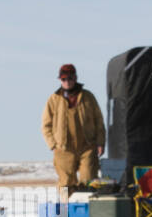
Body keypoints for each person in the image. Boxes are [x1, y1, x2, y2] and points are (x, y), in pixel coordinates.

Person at [41, 63, 106, 194]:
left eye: (70, 78)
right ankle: (65, 213)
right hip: (63, 149)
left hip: (87, 147)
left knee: (89, 181)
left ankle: (87, 212)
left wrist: (100, 142)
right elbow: (45, 125)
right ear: (60, 80)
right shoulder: (54, 99)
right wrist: (53, 145)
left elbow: (99, 120)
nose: (67, 82)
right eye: (64, 79)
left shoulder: (88, 97)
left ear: (75, 78)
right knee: (66, 184)